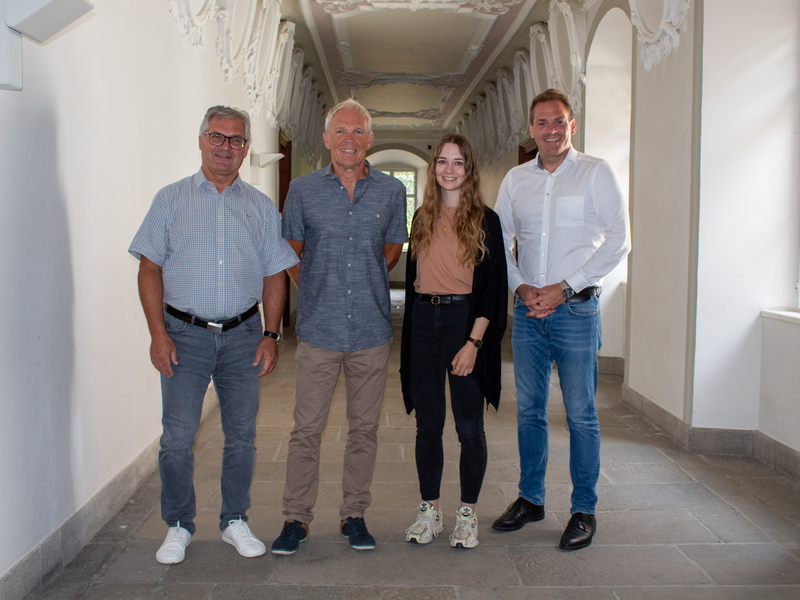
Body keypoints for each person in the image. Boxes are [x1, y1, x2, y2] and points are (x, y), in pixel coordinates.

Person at [129, 106, 299, 564]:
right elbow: (149, 268)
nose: (227, 147)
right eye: (217, 137)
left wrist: (271, 334)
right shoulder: (171, 200)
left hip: (245, 334)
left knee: (241, 435)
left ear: (246, 148)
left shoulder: (260, 207)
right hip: (184, 335)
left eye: (237, 140)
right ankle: (179, 524)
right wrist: (157, 333)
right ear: (201, 140)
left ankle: (235, 521)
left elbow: (275, 274)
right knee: (178, 437)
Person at [493, 89, 631, 551]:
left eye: (559, 122)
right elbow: (499, 240)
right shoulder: (515, 179)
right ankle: (531, 499)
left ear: (572, 126)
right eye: (542, 123)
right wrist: (519, 287)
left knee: (580, 415)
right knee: (530, 411)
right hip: (529, 313)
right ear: (530, 130)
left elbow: (619, 241)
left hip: (576, 311)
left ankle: (583, 510)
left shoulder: (596, 173)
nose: (551, 131)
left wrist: (565, 286)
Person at [271, 99, 408, 555]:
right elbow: (292, 251)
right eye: (340, 132)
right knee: (306, 429)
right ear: (327, 139)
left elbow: (391, 249)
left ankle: (354, 515)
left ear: (370, 140)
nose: (349, 139)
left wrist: (360, 279)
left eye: (358, 132)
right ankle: (296, 517)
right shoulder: (303, 191)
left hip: (370, 330)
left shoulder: (391, 192)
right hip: (319, 331)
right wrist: (315, 286)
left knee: (363, 430)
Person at [399, 134, 507, 549]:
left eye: (457, 162)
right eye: (442, 162)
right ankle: (430, 511)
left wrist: (474, 343)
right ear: (433, 170)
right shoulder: (421, 218)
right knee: (428, 425)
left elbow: (493, 290)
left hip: (466, 323)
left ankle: (466, 514)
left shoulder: (486, 221)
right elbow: (412, 283)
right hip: (425, 323)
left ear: (469, 169)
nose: (448, 169)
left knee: (469, 427)